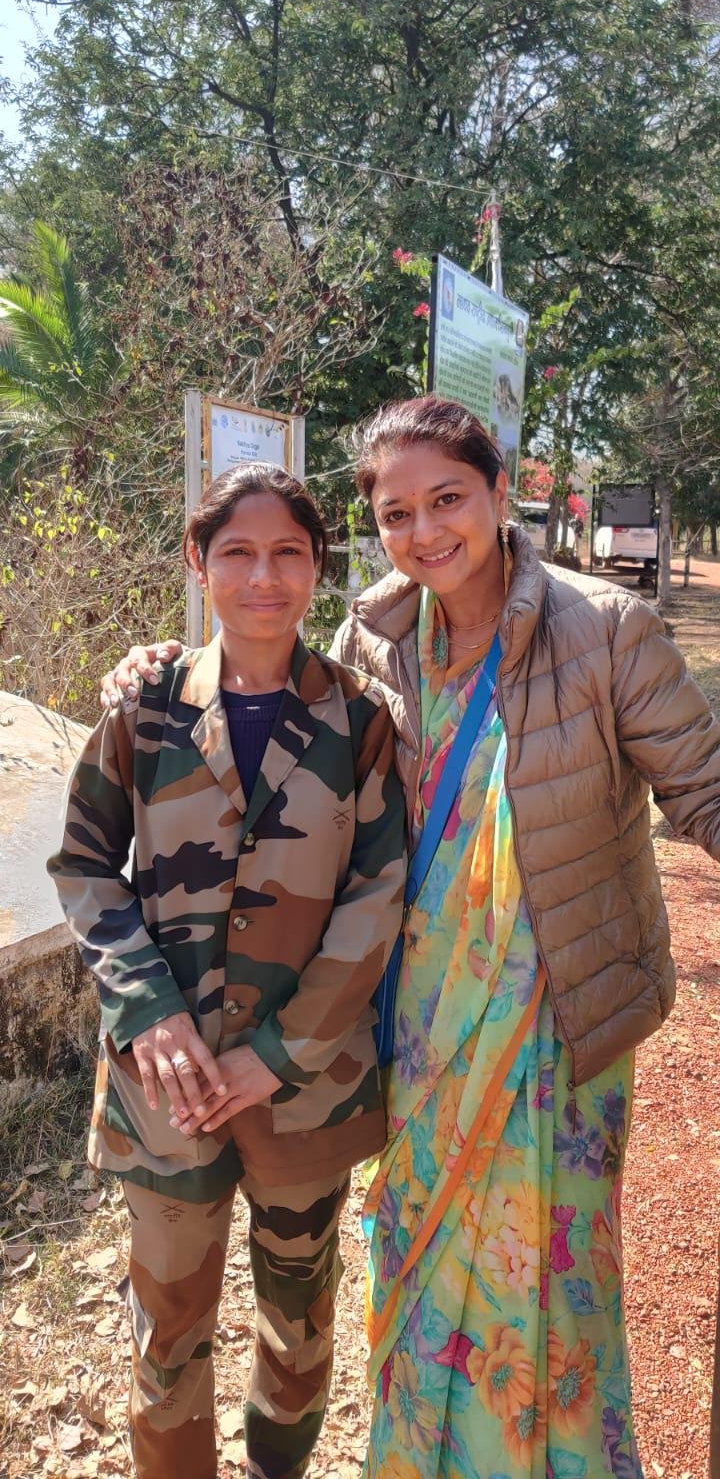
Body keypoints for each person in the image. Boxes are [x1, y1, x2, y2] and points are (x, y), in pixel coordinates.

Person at [102, 395, 720, 1479]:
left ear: (498, 490)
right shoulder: (375, 640)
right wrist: (156, 668)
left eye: (447, 499)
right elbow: (269, 713)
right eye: (396, 514)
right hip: (413, 1029)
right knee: (422, 1271)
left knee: (551, 1281)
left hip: (552, 1030)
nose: (425, 531)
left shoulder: (603, 629)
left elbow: (705, 791)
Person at [52, 462, 406, 1479]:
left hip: (306, 1090)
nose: (264, 577)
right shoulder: (146, 707)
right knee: (167, 1334)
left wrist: (281, 1053)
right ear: (196, 562)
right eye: (238, 553)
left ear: (318, 567)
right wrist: (148, 1011)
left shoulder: (359, 720)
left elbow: (377, 894)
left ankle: (275, 1466)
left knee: (299, 1324)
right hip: (168, 1088)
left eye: (289, 552)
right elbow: (85, 864)